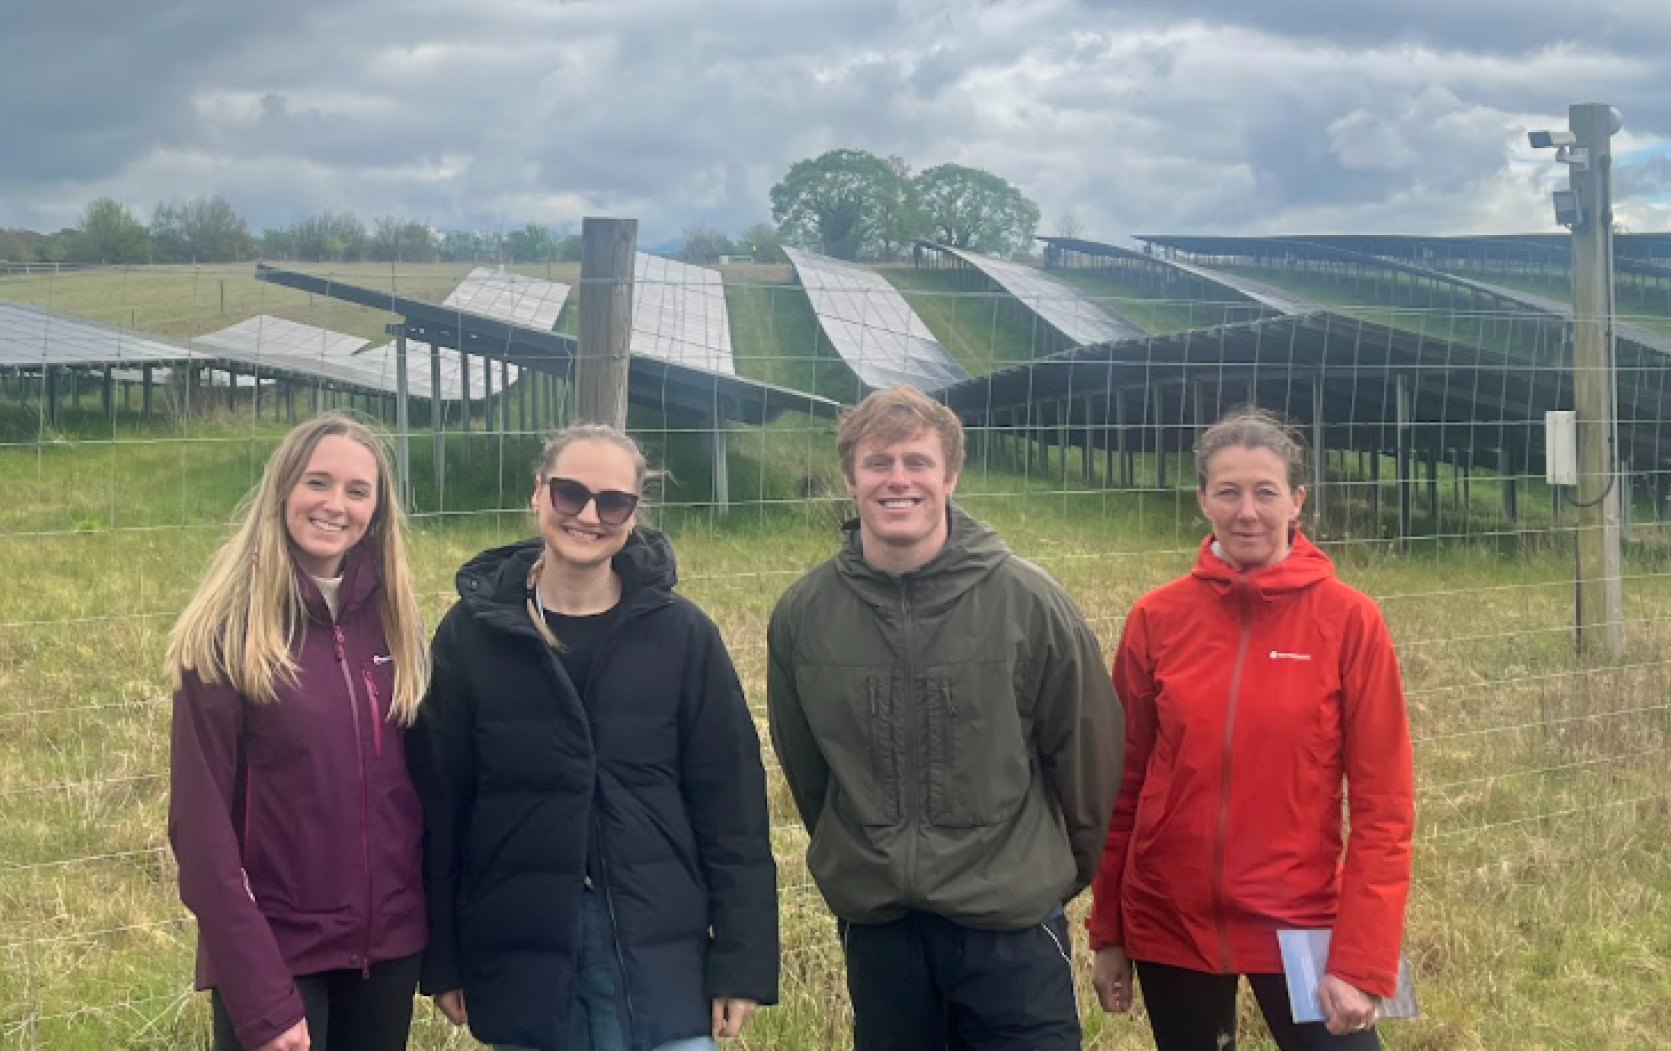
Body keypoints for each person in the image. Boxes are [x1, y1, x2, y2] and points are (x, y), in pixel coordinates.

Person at [767, 385, 1124, 1051]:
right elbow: (810, 772)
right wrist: (863, 858)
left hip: (1011, 932)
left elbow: (1087, 763)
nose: (897, 479)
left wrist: (1038, 875)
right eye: (878, 463)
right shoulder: (803, 615)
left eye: (916, 461)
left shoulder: (1030, 604)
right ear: (850, 477)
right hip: (883, 934)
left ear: (950, 475)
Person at [410, 423, 778, 1051]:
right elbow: (441, 804)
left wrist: (742, 962)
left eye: (613, 502)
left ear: (634, 514)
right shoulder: (471, 635)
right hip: (521, 948)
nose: (588, 515)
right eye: (569, 493)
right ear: (537, 493)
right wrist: (443, 956)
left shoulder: (683, 635)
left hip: (659, 953)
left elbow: (733, 805)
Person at [1088, 407, 1415, 1050]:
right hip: (1170, 918)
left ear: (1297, 500)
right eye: (1227, 492)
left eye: (1266, 492)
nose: (1247, 512)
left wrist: (1363, 960)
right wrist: (1110, 933)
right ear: (1201, 499)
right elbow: (1121, 787)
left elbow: (1384, 808)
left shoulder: (1351, 621)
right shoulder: (1156, 619)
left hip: (1303, 922)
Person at [167, 412, 431, 1051]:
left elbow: (423, 794)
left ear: (379, 508)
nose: (335, 505)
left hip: (387, 957)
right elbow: (201, 839)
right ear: (283, 490)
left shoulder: (398, 625)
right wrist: (260, 997)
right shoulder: (228, 637)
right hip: (279, 959)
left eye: (357, 491)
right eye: (318, 482)